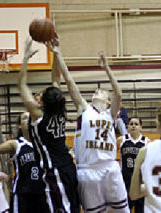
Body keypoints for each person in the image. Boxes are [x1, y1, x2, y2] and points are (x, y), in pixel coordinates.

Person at [47, 39, 129, 212]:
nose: (97, 91)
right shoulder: (83, 109)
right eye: (96, 91)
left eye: (102, 92)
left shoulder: (110, 114)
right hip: (87, 170)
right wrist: (58, 53)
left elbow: (119, 93)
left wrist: (106, 67)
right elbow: (69, 81)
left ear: (108, 102)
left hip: (110, 167)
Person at [18, 38, 79, 213]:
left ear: (43, 103)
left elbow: (21, 85)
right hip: (68, 166)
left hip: (55, 171)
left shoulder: (39, 116)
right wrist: (55, 54)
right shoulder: (59, 111)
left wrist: (26, 58)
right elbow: (56, 80)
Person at [0, 114, 48, 213]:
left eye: (30, 118)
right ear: (19, 125)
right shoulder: (16, 144)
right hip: (23, 193)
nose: (28, 120)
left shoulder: (42, 144)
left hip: (42, 192)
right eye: (25, 118)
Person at [118, 117, 150, 213]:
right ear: (127, 127)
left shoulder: (146, 141)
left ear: (141, 127)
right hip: (125, 179)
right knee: (125, 208)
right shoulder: (121, 140)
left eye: (136, 124)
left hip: (140, 180)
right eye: (131, 124)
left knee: (140, 208)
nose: (133, 126)